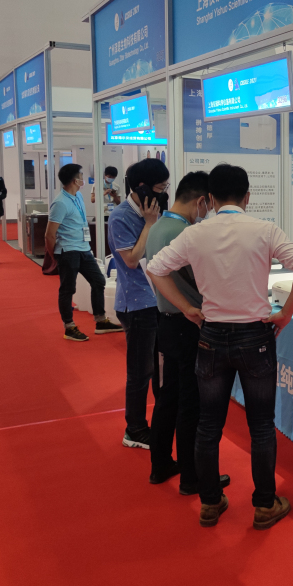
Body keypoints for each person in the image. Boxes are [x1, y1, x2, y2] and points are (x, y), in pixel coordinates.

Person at [147, 163, 293, 530]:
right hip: (256, 337)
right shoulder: (265, 230)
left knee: (208, 424)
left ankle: (210, 502)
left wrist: (187, 308)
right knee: (261, 425)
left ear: (209, 199)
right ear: (247, 197)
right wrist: (285, 314)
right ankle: (264, 505)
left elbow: (155, 268)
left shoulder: (196, 233)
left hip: (210, 336)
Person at [145, 171, 228, 496]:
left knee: (168, 397)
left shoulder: (157, 227)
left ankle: (160, 464)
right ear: (201, 201)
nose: (207, 213)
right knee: (191, 402)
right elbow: (203, 280)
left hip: (165, 322)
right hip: (189, 324)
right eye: (209, 206)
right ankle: (193, 477)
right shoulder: (185, 234)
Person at [108, 157, 170, 450]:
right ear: (143, 187)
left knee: (159, 369)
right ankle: (134, 429)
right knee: (140, 372)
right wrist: (149, 224)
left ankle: (160, 421)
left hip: (158, 300)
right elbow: (132, 260)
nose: (163, 193)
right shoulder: (121, 217)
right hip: (136, 304)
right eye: (160, 188)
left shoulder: (157, 210)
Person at [45, 163, 123, 342]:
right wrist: (55, 256)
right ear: (75, 180)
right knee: (68, 289)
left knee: (98, 281)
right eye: (81, 175)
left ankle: (100, 321)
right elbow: (49, 235)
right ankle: (69, 326)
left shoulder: (78, 196)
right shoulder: (60, 203)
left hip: (84, 249)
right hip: (68, 251)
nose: (83, 178)